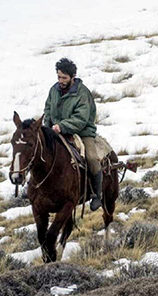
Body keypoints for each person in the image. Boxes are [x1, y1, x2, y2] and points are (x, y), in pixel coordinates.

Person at [43, 58, 104, 211]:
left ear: (72, 77)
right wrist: (47, 126)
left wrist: (62, 126)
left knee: (91, 157)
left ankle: (98, 194)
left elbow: (81, 118)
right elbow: (48, 109)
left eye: (64, 77)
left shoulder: (83, 93)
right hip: (56, 131)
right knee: (39, 152)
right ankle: (33, 186)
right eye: (58, 77)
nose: (61, 80)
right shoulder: (54, 90)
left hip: (82, 132)